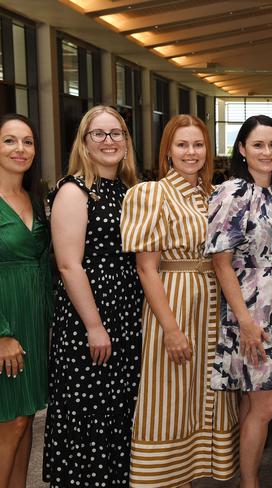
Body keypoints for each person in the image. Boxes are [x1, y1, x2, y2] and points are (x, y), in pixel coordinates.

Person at [121, 114, 239, 487]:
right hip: (173, 304)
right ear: (168, 151)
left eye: (198, 144)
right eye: (182, 145)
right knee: (168, 400)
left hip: (209, 306)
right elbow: (146, 268)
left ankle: (185, 478)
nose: (191, 152)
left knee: (197, 399)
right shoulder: (150, 193)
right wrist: (170, 328)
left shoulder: (210, 194)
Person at [43, 105, 142, 487]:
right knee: (88, 418)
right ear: (84, 142)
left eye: (116, 133)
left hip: (125, 315)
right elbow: (69, 265)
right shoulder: (73, 190)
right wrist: (95, 326)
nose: (108, 141)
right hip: (90, 319)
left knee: (118, 417)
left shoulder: (126, 190)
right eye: (98, 134)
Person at [205, 115, 272, 488]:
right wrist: (243, 320)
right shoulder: (231, 193)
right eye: (257, 144)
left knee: (252, 401)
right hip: (250, 310)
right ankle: (251, 483)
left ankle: (247, 476)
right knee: (266, 405)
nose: (266, 152)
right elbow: (220, 262)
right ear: (241, 148)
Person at [0, 114, 52, 488]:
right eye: (10, 141)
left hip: (33, 320)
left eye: (28, 141)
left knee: (28, 417)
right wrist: (1, 334)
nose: (21, 149)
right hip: (6, 322)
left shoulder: (34, 198)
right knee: (12, 420)